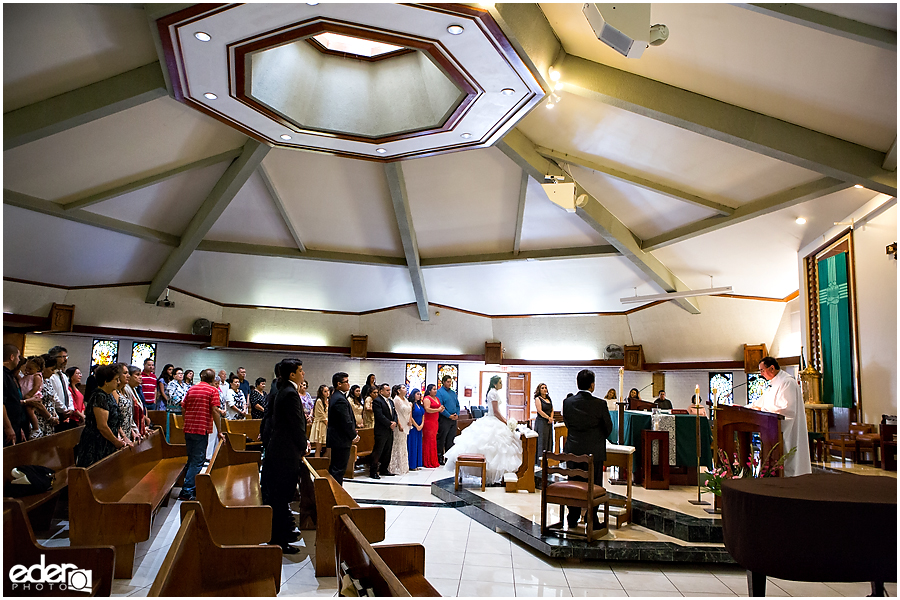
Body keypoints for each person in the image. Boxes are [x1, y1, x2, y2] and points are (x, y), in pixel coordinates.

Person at [260, 358, 308, 554]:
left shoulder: (283, 389)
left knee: (280, 497)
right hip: (285, 451)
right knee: (280, 497)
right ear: (292, 374)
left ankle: (283, 532)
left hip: (280, 449)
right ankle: (278, 539)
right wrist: (303, 444)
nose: (303, 373)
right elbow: (296, 424)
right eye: (300, 370)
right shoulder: (289, 393)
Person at [444, 376, 523, 484]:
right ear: (495, 384)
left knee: (496, 447)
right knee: (491, 447)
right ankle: (487, 472)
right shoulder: (493, 393)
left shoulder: (493, 392)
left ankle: (492, 475)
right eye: (500, 382)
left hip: (492, 418)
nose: (502, 384)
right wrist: (505, 421)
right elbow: (495, 411)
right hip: (492, 419)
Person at [562, 369, 613, 530]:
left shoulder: (567, 403)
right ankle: (592, 518)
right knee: (594, 484)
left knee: (574, 482)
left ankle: (573, 516)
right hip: (594, 451)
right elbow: (608, 428)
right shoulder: (600, 404)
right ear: (592, 385)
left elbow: (568, 424)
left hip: (573, 450)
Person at [749, 357, 811, 477]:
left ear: (772, 368)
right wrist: (748, 407)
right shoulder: (774, 383)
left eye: (762, 370)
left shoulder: (787, 382)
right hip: (772, 427)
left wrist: (763, 409)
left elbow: (787, 408)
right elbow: (761, 402)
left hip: (786, 427)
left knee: (788, 459)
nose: (761, 374)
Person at [178, 368, 224, 501]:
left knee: (191, 458)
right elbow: (215, 410)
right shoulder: (212, 390)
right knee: (198, 460)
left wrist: (186, 421)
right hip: (201, 428)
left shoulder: (192, 389)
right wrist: (219, 431)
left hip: (189, 428)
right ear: (213, 379)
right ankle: (187, 490)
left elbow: (183, 407)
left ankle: (188, 485)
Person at [75, 364, 131, 467]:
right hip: (96, 443)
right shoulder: (99, 397)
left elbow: (114, 420)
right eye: (116, 379)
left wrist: (123, 436)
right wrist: (116, 442)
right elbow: (102, 426)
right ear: (106, 382)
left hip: (107, 441)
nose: (118, 382)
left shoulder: (109, 395)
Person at [326, 371, 359, 485]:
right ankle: (335, 493)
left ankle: (334, 491)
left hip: (338, 439)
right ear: (339, 384)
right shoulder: (339, 399)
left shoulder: (337, 396)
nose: (348, 384)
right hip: (340, 439)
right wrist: (353, 435)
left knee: (337, 468)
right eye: (346, 382)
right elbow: (345, 420)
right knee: (338, 469)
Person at [47, 347, 81, 430]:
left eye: (66, 357)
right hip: (55, 412)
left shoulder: (64, 376)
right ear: (54, 358)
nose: (65, 360)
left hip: (66, 413)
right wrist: (64, 409)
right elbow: (53, 395)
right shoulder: (50, 376)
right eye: (62, 357)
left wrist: (71, 408)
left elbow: (68, 393)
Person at [370, 383, 397, 478]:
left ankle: (384, 469)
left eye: (389, 390)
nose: (389, 392)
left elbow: (394, 413)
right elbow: (379, 415)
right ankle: (373, 471)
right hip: (381, 430)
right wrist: (389, 423)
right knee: (378, 451)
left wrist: (395, 422)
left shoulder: (390, 401)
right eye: (387, 390)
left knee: (387, 450)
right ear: (381, 391)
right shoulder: (377, 401)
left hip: (390, 430)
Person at [3, 344, 28, 445]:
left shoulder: (9, 375)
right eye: (18, 357)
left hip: (14, 425)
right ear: (11, 357)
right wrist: (8, 428)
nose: (18, 360)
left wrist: (18, 427)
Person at [32, 355, 61, 439]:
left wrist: (55, 415)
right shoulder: (37, 381)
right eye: (51, 369)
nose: (53, 372)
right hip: (40, 420)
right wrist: (50, 417)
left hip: (49, 422)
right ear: (43, 368)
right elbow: (37, 402)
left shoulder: (47, 381)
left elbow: (51, 400)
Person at [436, 375, 460, 465]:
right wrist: (449, 415)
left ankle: (449, 458)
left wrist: (457, 414)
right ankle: (440, 457)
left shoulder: (453, 393)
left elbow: (457, 405)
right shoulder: (440, 392)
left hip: (453, 419)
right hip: (444, 419)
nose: (449, 384)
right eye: (448, 382)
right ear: (443, 382)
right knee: (442, 438)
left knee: (451, 439)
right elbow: (441, 406)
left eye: (450, 382)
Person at [389, 384, 410, 475]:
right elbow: (396, 413)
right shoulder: (396, 399)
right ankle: (396, 466)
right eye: (403, 388)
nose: (405, 390)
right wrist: (400, 424)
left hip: (406, 423)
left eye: (406, 388)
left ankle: (404, 466)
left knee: (403, 444)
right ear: (398, 391)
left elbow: (409, 410)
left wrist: (409, 420)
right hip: (399, 424)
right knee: (398, 444)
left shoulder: (405, 399)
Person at [422, 384, 443, 468]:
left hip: (435, 421)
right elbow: (427, 409)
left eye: (436, 389)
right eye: (433, 389)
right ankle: (427, 461)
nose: (435, 391)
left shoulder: (437, 398)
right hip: (429, 421)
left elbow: (438, 408)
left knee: (433, 440)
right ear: (429, 390)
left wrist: (441, 408)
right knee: (428, 440)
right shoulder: (427, 398)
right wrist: (437, 409)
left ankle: (434, 460)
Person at [533, 383, 554, 466]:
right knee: (542, 440)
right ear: (539, 390)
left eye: (545, 388)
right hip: (541, 422)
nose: (544, 389)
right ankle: (539, 461)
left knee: (549, 440)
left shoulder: (548, 399)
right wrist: (548, 418)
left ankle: (548, 460)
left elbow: (552, 409)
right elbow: (539, 411)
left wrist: (551, 418)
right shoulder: (538, 399)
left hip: (548, 423)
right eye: (542, 388)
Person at [407, 388, 424, 470]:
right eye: (417, 394)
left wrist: (421, 425)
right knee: (413, 444)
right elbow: (410, 416)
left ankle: (417, 463)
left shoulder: (419, 405)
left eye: (420, 394)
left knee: (418, 444)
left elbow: (423, 415)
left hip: (420, 427)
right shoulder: (411, 404)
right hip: (413, 428)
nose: (419, 395)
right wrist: (417, 425)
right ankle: (412, 464)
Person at [310, 385, 329, 457]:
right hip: (320, 425)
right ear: (321, 393)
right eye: (325, 391)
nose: (327, 393)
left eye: (328, 391)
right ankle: (317, 463)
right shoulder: (319, 401)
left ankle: (324, 463)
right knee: (318, 448)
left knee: (328, 447)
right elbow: (322, 415)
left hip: (326, 424)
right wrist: (328, 424)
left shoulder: (328, 401)